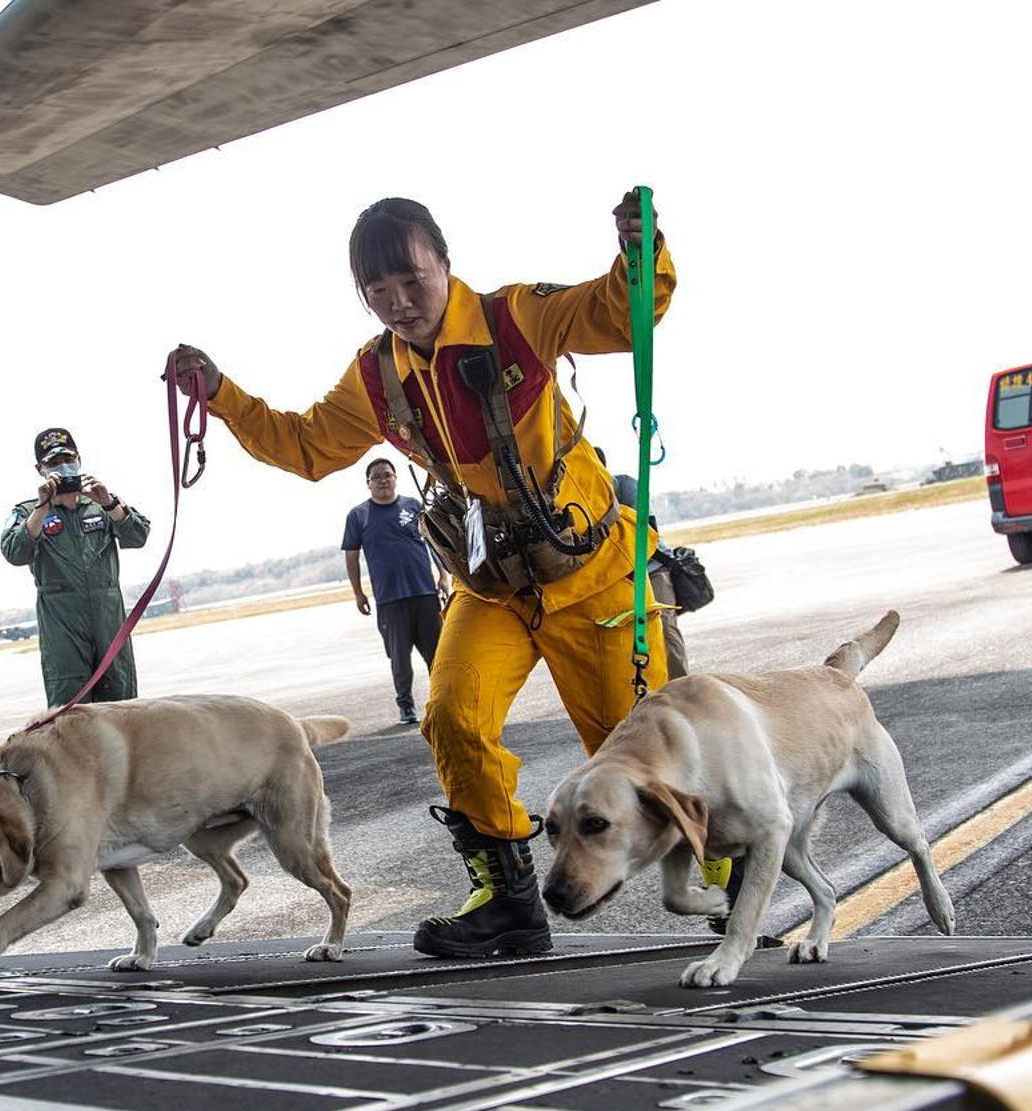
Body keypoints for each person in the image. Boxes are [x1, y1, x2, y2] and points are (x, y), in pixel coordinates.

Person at [169, 190, 673, 959]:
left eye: (412, 280)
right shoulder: (378, 376)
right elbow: (307, 445)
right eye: (378, 291)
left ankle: (726, 869)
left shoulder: (516, 319)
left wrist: (640, 256)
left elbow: (618, 312)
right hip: (493, 589)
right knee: (451, 717)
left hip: (593, 579)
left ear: (445, 262)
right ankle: (509, 899)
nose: (399, 303)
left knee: (637, 752)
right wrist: (222, 397)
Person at [0, 427, 151, 706]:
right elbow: (14, 552)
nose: (63, 467)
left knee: (122, 709)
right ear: (40, 469)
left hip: (108, 623)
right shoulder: (28, 511)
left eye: (68, 459)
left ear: (79, 459)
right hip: (63, 629)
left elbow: (138, 535)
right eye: (53, 463)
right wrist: (42, 508)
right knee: (71, 715)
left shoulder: (101, 503)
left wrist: (108, 503)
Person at [343, 456, 449, 724]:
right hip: (389, 599)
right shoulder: (359, 515)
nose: (383, 480)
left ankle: (444, 703)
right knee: (399, 659)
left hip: (425, 593)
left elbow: (434, 542)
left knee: (437, 654)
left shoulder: (413, 506)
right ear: (368, 483)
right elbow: (352, 556)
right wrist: (358, 592)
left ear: (395, 478)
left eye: (387, 475)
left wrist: (444, 575)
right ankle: (406, 707)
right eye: (376, 477)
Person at [602, 449, 689, 679]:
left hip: (652, 569)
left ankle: (681, 685)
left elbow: (644, 534)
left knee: (666, 629)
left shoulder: (626, 486)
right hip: (617, 575)